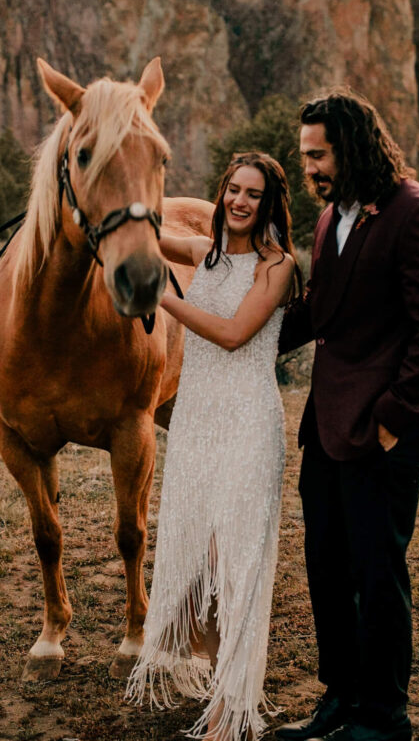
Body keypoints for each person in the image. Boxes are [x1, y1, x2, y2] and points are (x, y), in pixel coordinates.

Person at [274, 90, 419, 741]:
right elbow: (316, 311)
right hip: (326, 428)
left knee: (378, 574)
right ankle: (340, 699)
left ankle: (383, 719)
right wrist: (235, 339)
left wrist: (391, 420)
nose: (309, 169)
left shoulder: (417, 213)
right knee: (327, 568)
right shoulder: (333, 218)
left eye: (318, 155)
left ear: (351, 146)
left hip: (385, 435)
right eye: (304, 158)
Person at [127, 152, 303, 741]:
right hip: (198, 422)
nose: (239, 202)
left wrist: (162, 298)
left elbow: (231, 335)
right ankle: (213, 678)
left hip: (248, 423)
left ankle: (234, 713)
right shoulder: (210, 255)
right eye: (233, 190)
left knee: (239, 563)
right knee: (198, 552)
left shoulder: (276, 267)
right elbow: (153, 234)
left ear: (270, 203)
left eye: (253, 194)